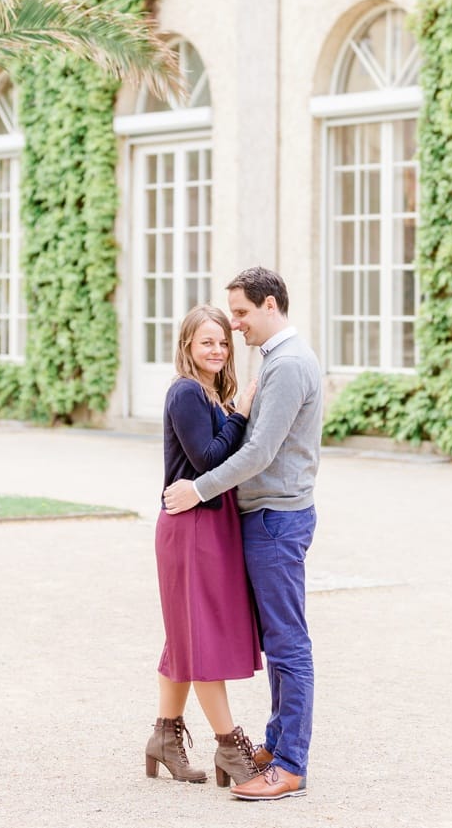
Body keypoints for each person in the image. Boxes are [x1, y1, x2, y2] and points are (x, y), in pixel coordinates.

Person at [163, 267, 323, 802]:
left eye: (240, 314)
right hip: (264, 518)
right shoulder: (273, 361)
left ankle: (290, 765)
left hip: (276, 518)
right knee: (277, 641)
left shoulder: (289, 364)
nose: (234, 327)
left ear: (271, 305)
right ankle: (276, 748)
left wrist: (198, 490)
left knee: (288, 643)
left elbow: (259, 453)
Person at [147, 304, 265, 788]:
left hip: (208, 527)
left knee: (187, 634)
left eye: (222, 342)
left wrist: (232, 409)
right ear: (187, 347)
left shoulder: (212, 393)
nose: (217, 350)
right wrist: (240, 414)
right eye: (206, 343)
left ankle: (164, 736)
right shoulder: (187, 392)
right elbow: (207, 459)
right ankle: (230, 747)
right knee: (201, 639)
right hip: (190, 529)